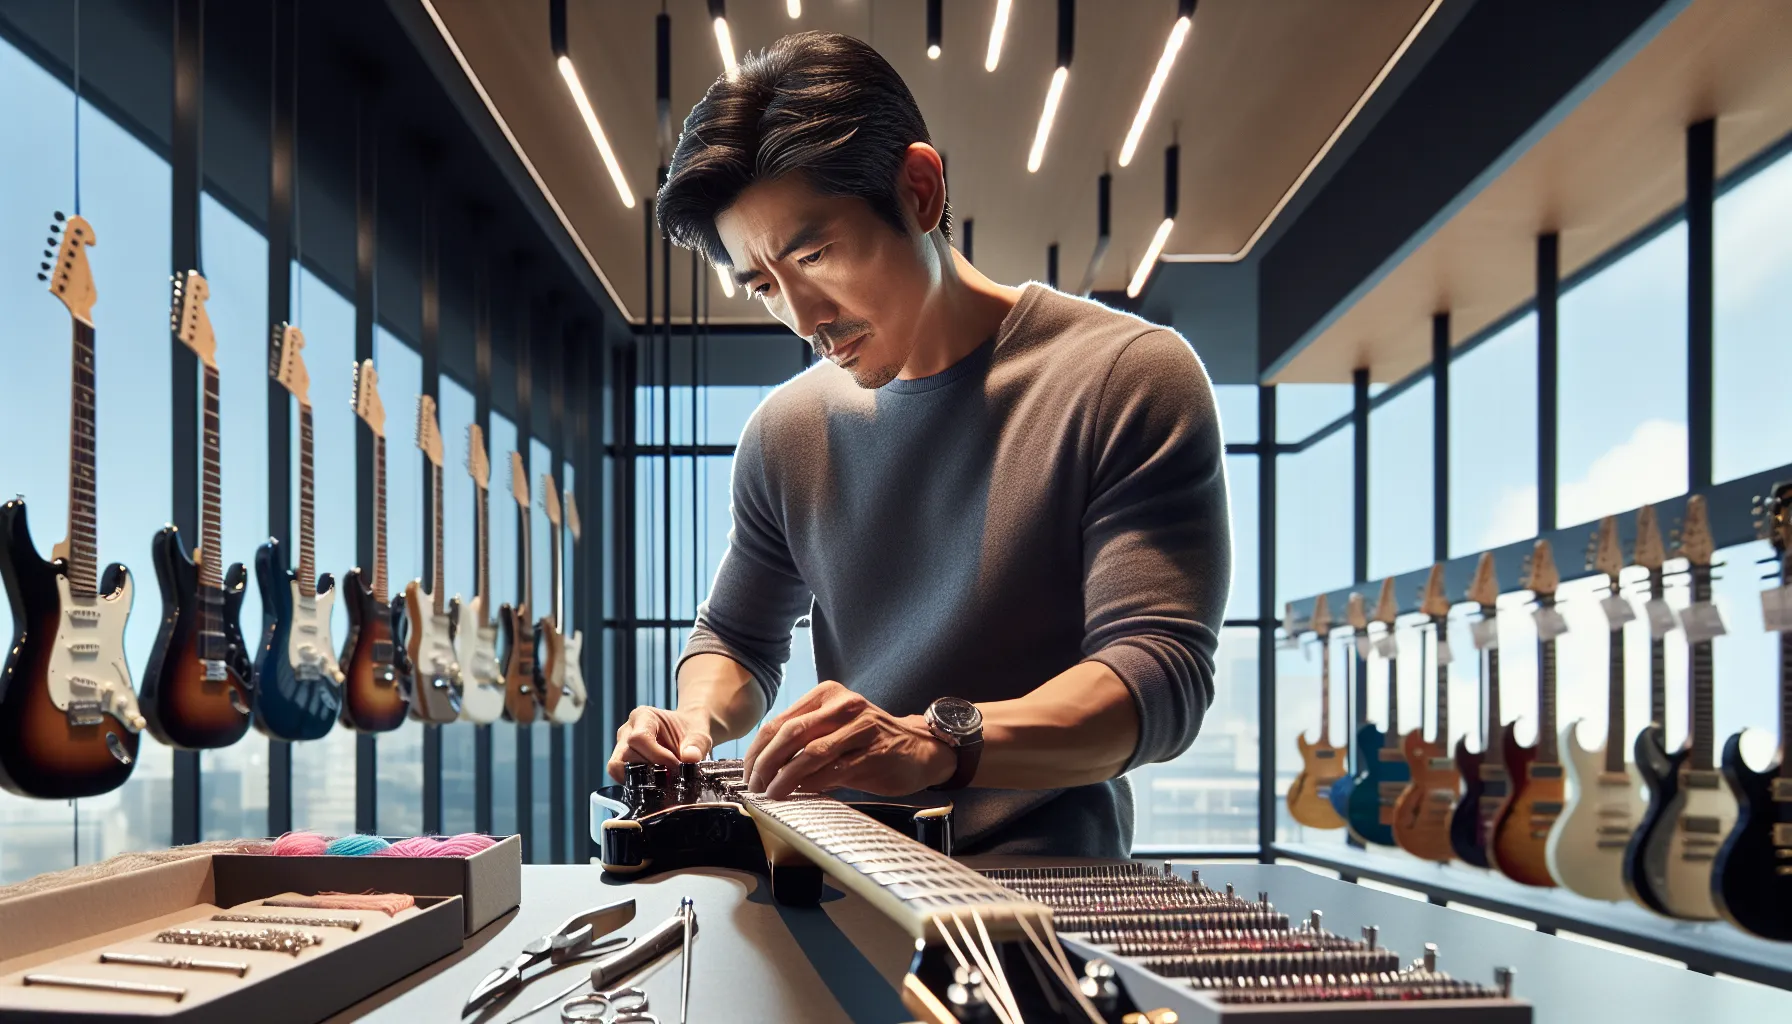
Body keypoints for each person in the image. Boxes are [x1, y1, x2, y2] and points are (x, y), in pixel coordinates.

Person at [606, 31, 1230, 858]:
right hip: (833, 870)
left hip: (1050, 891)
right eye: (764, 286)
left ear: (921, 190)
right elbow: (737, 639)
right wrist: (692, 722)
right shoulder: (784, 434)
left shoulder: (1127, 377)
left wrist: (938, 744)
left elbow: (1158, 676)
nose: (803, 318)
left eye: (816, 253)